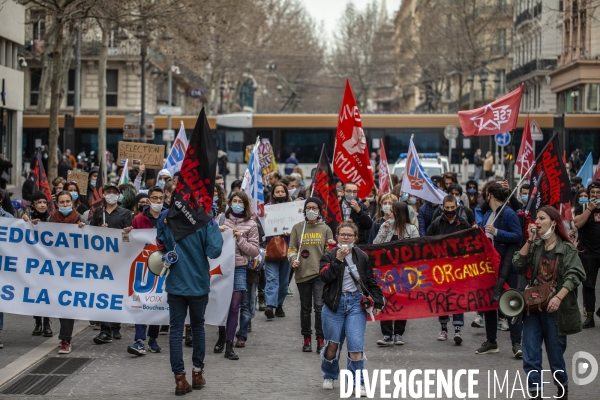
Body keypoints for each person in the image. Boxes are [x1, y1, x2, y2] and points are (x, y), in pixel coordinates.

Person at [513, 206, 585, 399]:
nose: (537, 222)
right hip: (533, 308)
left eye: (542, 218)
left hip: (556, 311)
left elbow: (576, 274)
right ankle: (536, 394)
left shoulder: (567, 248)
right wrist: (529, 240)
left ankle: (562, 391)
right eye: (537, 218)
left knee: (555, 358)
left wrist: (559, 297)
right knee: (531, 356)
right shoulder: (536, 246)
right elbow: (518, 263)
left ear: (553, 222)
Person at [157, 194, 223, 396]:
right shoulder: (204, 217)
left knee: (176, 330)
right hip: (198, 283)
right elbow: (215, 250)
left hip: (176, 282)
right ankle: (197, 373)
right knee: (197, 327)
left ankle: (179, 379)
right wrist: (211, 224)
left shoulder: (166, 217)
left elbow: (160, 244)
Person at [319, 221, 384, 394]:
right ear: (337, 236)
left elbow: (369, 280)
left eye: (349, 235)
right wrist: (338, 260)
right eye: (343, 235)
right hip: (334, 304)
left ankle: (358, 382)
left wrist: (378, 301)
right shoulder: (329, 255)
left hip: (356, 303)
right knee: (332, 345)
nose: (346, 238)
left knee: (356, 346)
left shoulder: (362, 256)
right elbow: (325, 277)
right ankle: (329, 375)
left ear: (355, 238)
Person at [476, 182, 524, 357]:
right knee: (489, 304)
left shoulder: (508, 213)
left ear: (490, 195)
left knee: (511, 302)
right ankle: (491, 341)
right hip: (488, 268)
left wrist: (497, 232)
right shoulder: (489, 213)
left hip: (506, 265)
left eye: (485, 194)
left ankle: (516, 343)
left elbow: (518, 236)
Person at [214, 191, 259, 360]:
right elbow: (209, 241)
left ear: (245, 205)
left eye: (241, 201)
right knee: (221, 306)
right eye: (234, 200)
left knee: (234, 306)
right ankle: (221, 336)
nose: (237, 203)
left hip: (239, 268)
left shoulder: (251, 224)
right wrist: (217, 231)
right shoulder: (221, 219)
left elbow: (254, 251)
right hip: (221, 267)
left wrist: (240, 239)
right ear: (230, 202)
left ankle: (229, 344)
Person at [288, 197, 335, 353]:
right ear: (304, 210)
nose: (311, 210)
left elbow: (329, 252)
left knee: (320, 308)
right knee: (305, 308)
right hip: (302, 274)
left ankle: (320, 339)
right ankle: (306, 338)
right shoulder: (297, 228)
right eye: (308, 208)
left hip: (320, 274)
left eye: (314, 207)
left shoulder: (325, 229)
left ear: (320, 210)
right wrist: (293, 260)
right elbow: (292, 249)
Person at [90, 183, 133, 344]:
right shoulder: (98, 214)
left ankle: (115, 326)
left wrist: (125, 234)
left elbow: (128, 239)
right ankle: (105, 329)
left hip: (119, 260)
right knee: (104, 294)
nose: (111, 194)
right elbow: (90, 234)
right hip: (101, 261)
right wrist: (100, 231)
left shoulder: (126, 214)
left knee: (116, 294)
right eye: (108, 192)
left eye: (114, 192)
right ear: (103, 195)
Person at [127, 186, 166, 356]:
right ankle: (139, 339)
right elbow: (132, 242)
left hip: (161, 266)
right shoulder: (138, 219)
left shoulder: (167, 218)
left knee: (157, 302)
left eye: (160, 198)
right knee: (141, 302)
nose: (158, 201)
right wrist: (127, 234)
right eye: (155, 198)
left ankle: (153, 338)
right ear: (148, 199)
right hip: (142, 266)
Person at [373, 201, 419, 346]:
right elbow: (375, 246)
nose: (388, 213)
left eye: (392, 211)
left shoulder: (411, 229)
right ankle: (387, 334)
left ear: (399, 213)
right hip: (386, 272)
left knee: (401, 301)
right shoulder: (384, 226)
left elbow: (417, 248)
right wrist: (384, 231)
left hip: (404, 272)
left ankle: (399, 333)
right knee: (385, 301)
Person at [427, 195, 470, 344]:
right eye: (447, 208)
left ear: (457, 207)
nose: (450, 211)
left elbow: (471, 243)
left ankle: (457, 329)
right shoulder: (437, 223)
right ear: (443, 207)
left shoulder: (463, 223)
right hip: (441, 268)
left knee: (458, 297)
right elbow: (427, 242)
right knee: (443, 297)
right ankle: (444, 328)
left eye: (453, 208)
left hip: (458, 267)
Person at [50, 191, 86, 354]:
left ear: (72, 203)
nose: (65, 205)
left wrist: (84, 229)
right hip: (55, 269)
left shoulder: (81, 219)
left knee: (67, 303)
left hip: (75, 270)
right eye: (61, 202)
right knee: (60, 303)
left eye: (67, 202)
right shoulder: (51, 220)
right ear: (57, 204)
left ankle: (65, 339)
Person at [22, 191, 54, 336]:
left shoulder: (51, 219)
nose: (42, 205)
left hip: (48, 263)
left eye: (44, 202)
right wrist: (26, 223)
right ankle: (37, 322)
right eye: (39, 202)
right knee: (35, 292)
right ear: (33, 205)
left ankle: (47, 323)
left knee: (46, 293)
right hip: (33, 263)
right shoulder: (26, 218)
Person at [264, 183, 293, 320]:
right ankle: (270, 305)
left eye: (282, 191)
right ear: (273, 194)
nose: (280, 194)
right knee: (272, 278)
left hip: (287, 249)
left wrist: (291, 233)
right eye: (278, 191)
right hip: (271, 248)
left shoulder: (292, 209)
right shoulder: (267, 209)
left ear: (286, 193)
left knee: (283, 281)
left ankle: (279, 304)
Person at [573, 181, 600, 328]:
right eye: (593, 193)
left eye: (598, 193)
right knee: (589, 285)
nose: (595, 195)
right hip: (588, 252)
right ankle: (589, 316)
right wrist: (589, 209)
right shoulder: (583, 207)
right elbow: (577, 224)